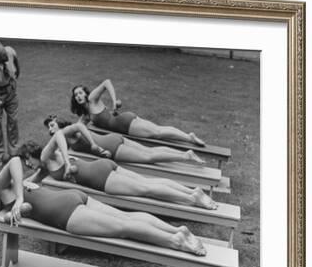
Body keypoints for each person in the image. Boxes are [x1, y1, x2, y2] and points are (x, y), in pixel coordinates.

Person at [0, 157, 207, 267]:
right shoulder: (1, 206)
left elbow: (13, 160)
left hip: (66, 214)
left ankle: (175, 241)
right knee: (126, 218)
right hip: (71, 199)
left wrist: (20, 199)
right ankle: (178, 230)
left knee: (124, 228)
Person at [18, 131, 218, 210]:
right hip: (102, 167)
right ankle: (192, 192)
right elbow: (34, 179)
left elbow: (60, 135)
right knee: (148, 182)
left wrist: (69, 165)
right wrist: (24, 183)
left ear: (31, 154)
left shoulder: (45, 155)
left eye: (27, 161)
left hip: (100, 178)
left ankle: (192, 199)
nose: (28, 166)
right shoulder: (45, 167)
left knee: (146, 189)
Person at [70, 79, 205, 146]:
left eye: (80, 93)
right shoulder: (86, 115)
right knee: (158, 131)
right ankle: (189, 137)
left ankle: (189, 138)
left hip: (124, 124)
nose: (79, 96)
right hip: (124, 122)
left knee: (157, 133)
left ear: (85, 93)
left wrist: (114, 101)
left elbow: (107, 82)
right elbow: (76, 128)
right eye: (76, 95)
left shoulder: (92, 99)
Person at [43, 115, 205, 165]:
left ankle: (185, 157)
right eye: (49, 128)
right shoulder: (62, 138)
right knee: (149, 151)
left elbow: (80, 127)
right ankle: (185, 153)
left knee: (148, 157)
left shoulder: (65, 131)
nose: (51, 129)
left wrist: (93, 145)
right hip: (113, 139)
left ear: (58, 123)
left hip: (111, 148)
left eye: (52, 125)